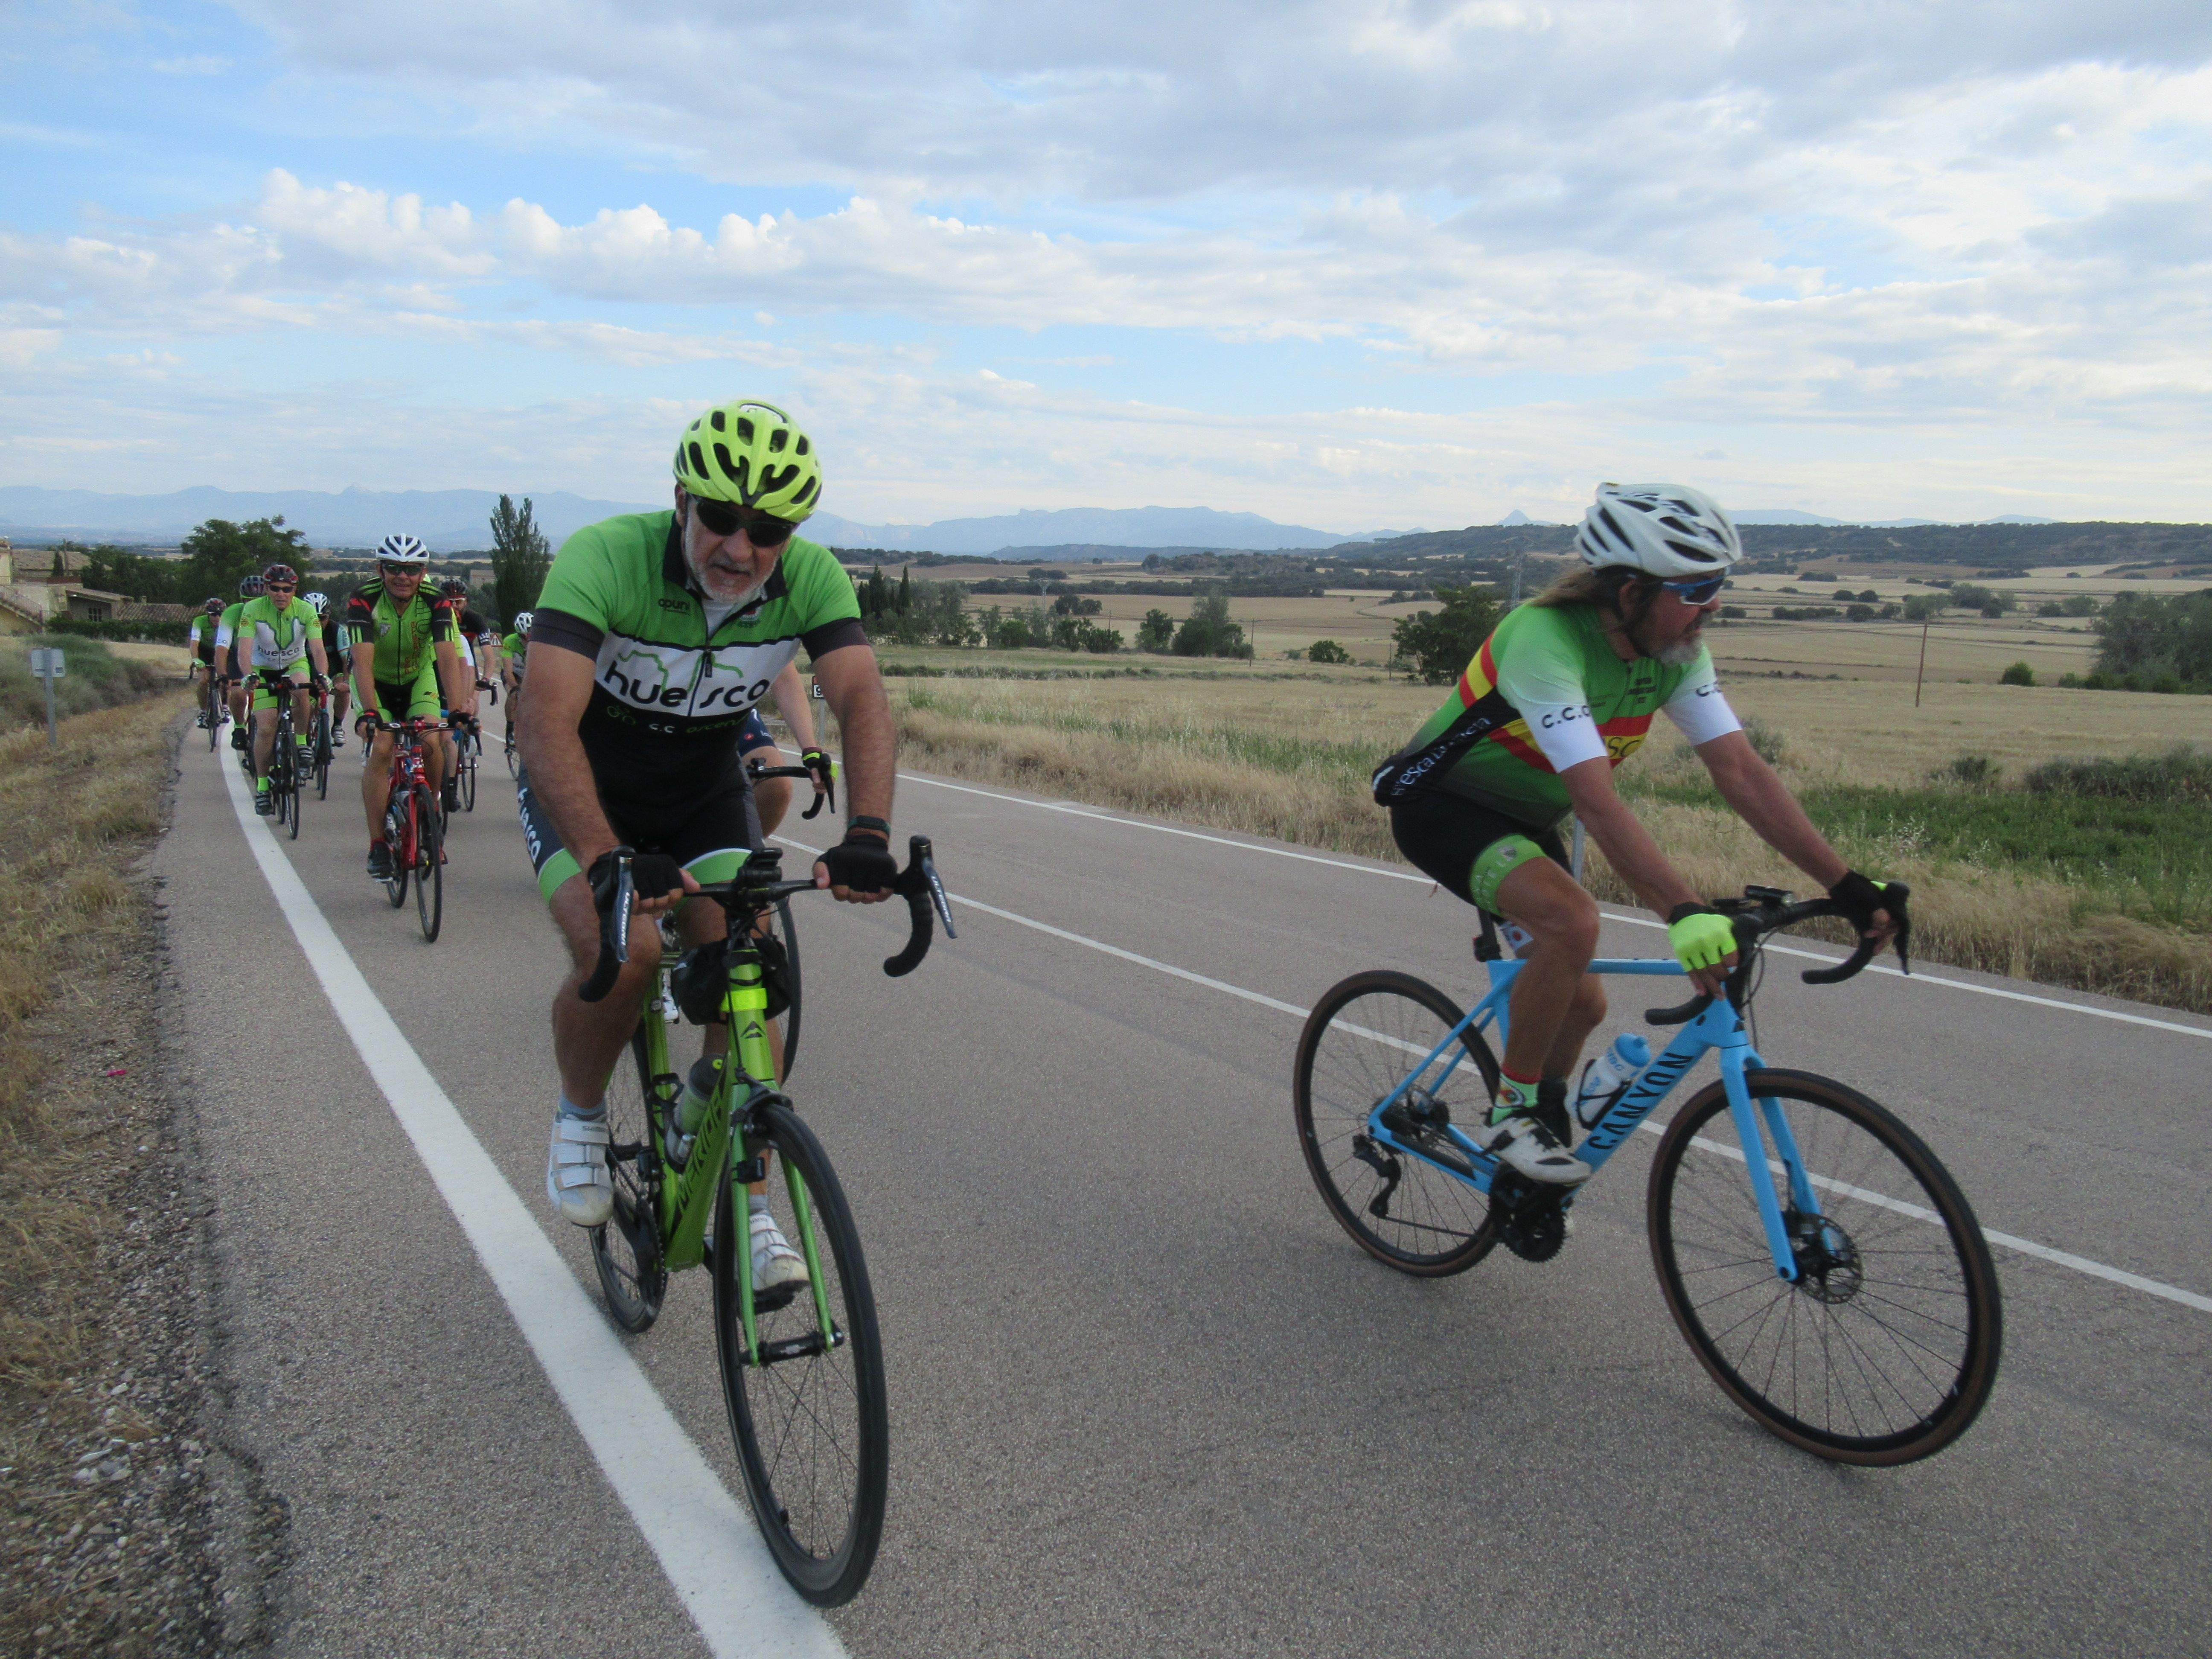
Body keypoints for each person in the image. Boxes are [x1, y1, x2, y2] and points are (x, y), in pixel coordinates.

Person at [1375, 482, 1905, 1185]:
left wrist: (1845, 884)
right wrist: (1681, 912)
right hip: (1445, 807)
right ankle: (1509, 1114)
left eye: (1718, 585)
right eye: (1696, 589)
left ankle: (1540, 1138)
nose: (1712, 605)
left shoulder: (1673, 651)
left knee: (1581, 1003)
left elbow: (1740, 772)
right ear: (1630, 592)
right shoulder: (1542, 640)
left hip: (1525, 821)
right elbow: (1595, 802)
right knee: (1571, 922)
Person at [516, 397, 899, 1299]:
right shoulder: (604, 556)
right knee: (627, 953)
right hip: (587, 787)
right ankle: (579, 1116)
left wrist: (870, 833)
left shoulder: (810, 578)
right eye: (721, 518)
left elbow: (861, 697)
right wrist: (605, 856)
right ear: (681, 500)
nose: (740, 547)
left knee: (748, 975)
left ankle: (749, 1206)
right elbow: (544, 720)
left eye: (767, 531)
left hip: (700, 794)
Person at [346, 535, 470, 879]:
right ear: (380, 569)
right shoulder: (363, 599)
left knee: (432, 740)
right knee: (383, 747)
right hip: (376, 682)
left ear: (423, 572)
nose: (403, 576)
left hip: (418, 678)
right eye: (394, 568)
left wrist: (457, 710)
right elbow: (362, 663)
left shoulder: (436, 601)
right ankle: (377, 845)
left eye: (412, 569)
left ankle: (430, 812)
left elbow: (447, 658)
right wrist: (369, 713)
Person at [233, 564, 331, 813]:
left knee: (302, 690)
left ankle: (301, 743)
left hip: (294, 663)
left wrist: (323, 675)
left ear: (294, 590)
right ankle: (263, 788)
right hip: (262, 668)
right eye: (275, 588)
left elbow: (317, 648)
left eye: (287, 589)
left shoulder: (306, 610)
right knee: (266, 729)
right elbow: (244, 648)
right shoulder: (252, 609)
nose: (281, 594)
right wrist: (248, 675)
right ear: (266, 589)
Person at [215, 575, 264, 753]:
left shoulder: (276, 612)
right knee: (237, 692)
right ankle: (239, 727)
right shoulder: (232, 613)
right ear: (242, 600)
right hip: (238, 654)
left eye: (258, 602)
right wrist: (223, 675)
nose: (252, 606)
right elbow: (222, 648)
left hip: (265, 656)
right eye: (248, 601)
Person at [308, 589, 351, 748]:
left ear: (329, 616)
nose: (318, 623)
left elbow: (346, 660)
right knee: (307, 706)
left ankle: (338, 726)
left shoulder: (337, 630)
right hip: (309, 672)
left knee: (343, 689)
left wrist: (346, 682)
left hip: (334, 670)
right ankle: (306, 737)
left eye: (322, 618)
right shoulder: (299, 631)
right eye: (313, 618)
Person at [188, 597, 224, 723]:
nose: (217, 618)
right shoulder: (200, 621)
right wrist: (196, 659)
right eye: (213, 615)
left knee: (225, 680)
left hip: (221, 651)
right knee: (203, 681)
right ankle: (203, 711)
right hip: (204, 652)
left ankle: (225, 707)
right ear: (208, 614)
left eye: (220, 614)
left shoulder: (227, 622)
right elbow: (194, 642)